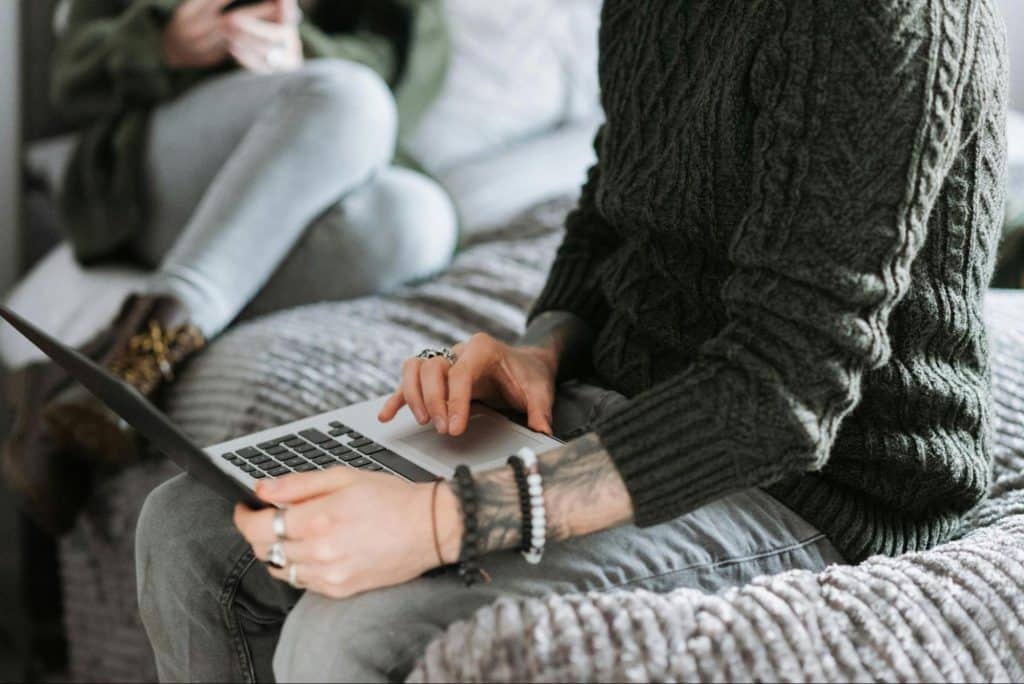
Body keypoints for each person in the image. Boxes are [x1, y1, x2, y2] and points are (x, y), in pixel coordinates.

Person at [136, 1, 1008, 681]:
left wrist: (445, 520)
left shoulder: (872, 20)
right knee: (187, 527)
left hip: (818, 480)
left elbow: (781, 396)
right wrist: (541, 344)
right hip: (636, 402)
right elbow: (612, 199)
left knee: (357, 630)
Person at [3, 0, 454, 532]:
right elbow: (70, 76)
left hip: (321, 144)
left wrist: (303, 50)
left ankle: (110, 360)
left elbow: (416, 69)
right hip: (164, 164)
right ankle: (136, 361)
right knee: (348, 95)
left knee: (417, 221)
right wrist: (162, 45)